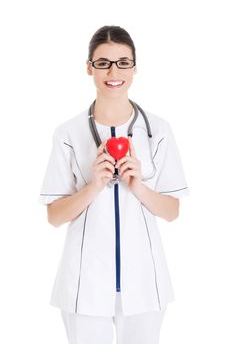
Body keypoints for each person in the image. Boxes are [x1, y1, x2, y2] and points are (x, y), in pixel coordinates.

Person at [39, 25, 189, 344]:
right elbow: (54, 216)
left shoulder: (157, 131)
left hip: (145, 284)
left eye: (123, 62)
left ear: (134, 67)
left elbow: (173, 211)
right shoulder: (67, 134)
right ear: (89, 68)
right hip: (84, 284)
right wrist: (93, 186)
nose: (113, 71)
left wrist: (139, 186)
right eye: (103, 62)